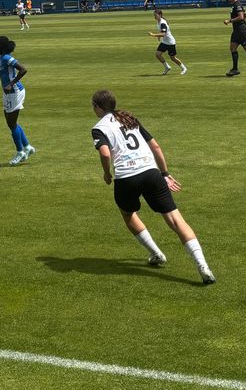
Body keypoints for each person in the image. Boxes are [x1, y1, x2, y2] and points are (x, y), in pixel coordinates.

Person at [89, 89, 215, 283]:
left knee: (128, 214)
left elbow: (105, 154)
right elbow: (155, 146)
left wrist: (107, 174)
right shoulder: (129, 118)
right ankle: (203, 265)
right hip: (151, 172)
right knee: (175, 219)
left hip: (126, 178)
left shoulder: (99, 128)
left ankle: (156, 253)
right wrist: (165, 174)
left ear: (98, 107)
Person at [0, 35, 35, 166]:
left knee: (12, 124)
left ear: (0, 48)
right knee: (11, 123)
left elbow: (23, 69)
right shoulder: (0, 58)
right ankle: (27, 147)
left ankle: (20, 153)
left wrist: (11, 83)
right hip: (9, 93)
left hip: (15, 92)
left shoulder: (7, 58)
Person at [148, 8, 187, 75]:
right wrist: (159, 37)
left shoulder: (162, 23)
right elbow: (162, 32)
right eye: (154, 15)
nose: (154, 17)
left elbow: (163, 34)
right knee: (158, 54)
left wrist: (153, 35)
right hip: (164, 42)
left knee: (173, 58)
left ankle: (184, 68)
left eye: (155, 15)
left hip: (170, 43)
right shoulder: (158, 21)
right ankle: (167, 67)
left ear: (160, 15)